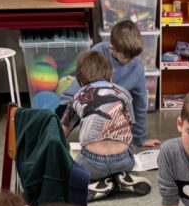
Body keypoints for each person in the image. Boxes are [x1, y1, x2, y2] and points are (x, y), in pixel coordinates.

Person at [61, 50, 151, 202]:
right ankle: (119, 176)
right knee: (126, 148)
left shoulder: (78, 96)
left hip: (92, 162)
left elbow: (62, 131)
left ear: (80, 80)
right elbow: (131, 125)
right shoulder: (124, 93)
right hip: (124, 160)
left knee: (71, 169)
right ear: (110, 76)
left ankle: (97, 184)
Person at [57, 20, 159, 149]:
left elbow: (140, 105)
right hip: (80, 98)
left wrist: (140, 138)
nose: (130, 62)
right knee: (59, 127)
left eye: (133, 57)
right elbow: (83, 87)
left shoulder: (137, 68)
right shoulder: (98, 52)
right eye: (126, 58)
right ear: (112, 49)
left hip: (108, 106)